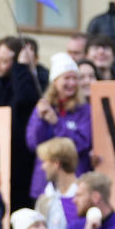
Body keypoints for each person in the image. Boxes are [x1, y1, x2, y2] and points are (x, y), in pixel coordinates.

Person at [0, 37, 40, 210]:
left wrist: (21, 68)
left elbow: (25, 100)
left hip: (21, 163)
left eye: (5, 61)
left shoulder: (31, 81)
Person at [27, 52, 93, 194]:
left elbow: (82, 143)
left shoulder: (84, 110)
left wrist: (56, 123)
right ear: (55, 81)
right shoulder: (43, 107)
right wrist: (40, 119)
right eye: (67, 78)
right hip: (44, 183)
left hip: (74, 184)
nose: (72, 83)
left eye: (75, 78)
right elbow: (33, 143)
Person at [34, 137, 79, 229]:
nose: (42, 167)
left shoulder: (83, 196)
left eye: (45, 161)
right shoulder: (45, 197)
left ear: (56, 164)